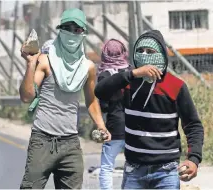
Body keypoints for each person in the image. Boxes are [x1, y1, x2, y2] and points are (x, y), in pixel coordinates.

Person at [95, 30, 204, 189]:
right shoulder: (129, 84)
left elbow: (193, 125)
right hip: (134, 171)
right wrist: (132, 74)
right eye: (140, 51)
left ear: (161, 54)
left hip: (166, 172)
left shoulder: (176, 86)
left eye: (150, 51)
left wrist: (193, 159)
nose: (144, 55)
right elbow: (100, 91)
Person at [19, 8, 111, 189]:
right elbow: (26, 96)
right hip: (42, 140)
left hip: (70, 143)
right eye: (68, 28)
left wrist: (101, 125)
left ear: (83, 33)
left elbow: (91, 100)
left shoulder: (87, 67)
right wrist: (30, 65)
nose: (72, 33)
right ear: (60, 30)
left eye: (77, 29)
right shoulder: (45, 60)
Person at [97, 39, 130, 190]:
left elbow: (103, 106)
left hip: (113, 128)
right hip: (133, 127)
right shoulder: (132, 72)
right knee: (133, 166)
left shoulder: (104, 75)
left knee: (107, 166)